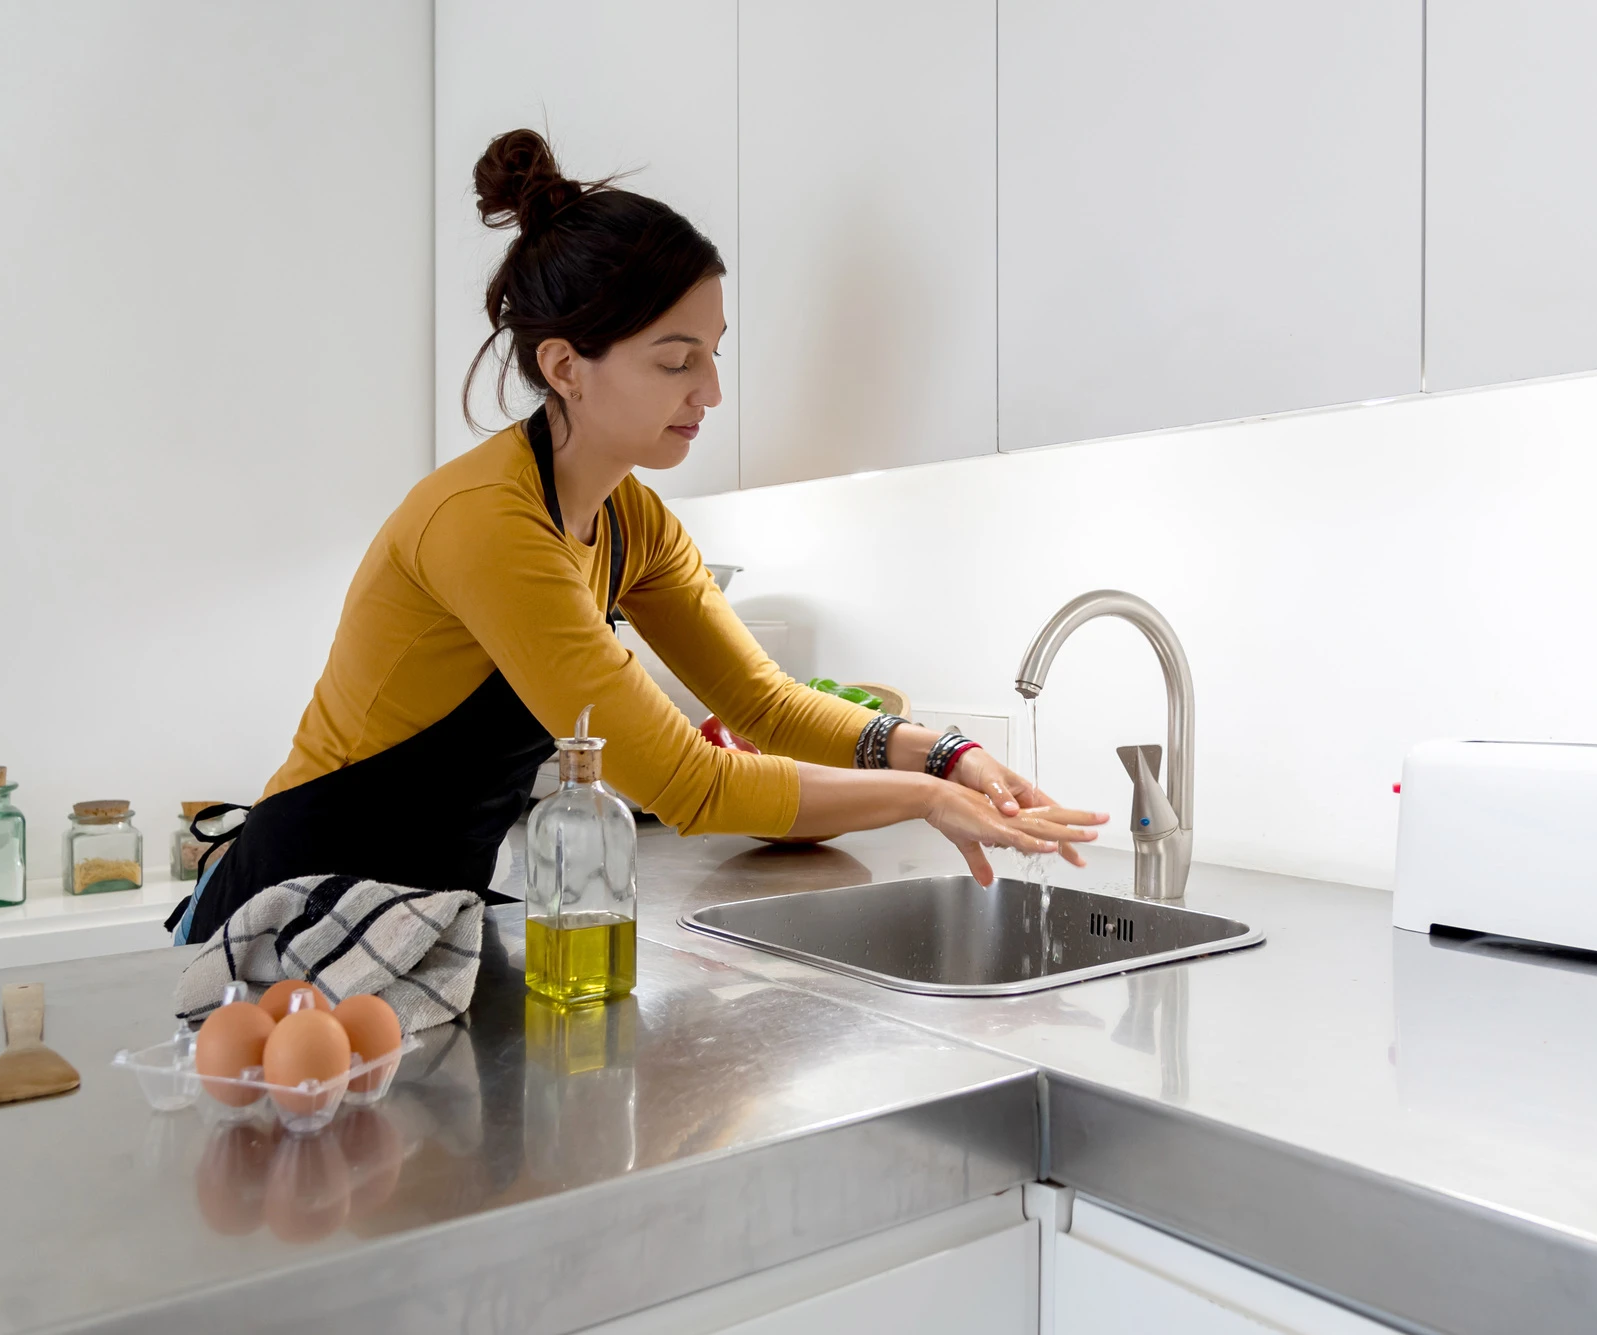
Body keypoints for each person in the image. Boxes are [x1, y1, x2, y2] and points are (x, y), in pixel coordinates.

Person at [174, 128, 1104, 945]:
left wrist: (949, 756)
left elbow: (764, 704)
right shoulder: (487, 524)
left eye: (713, 351)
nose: (711, 392)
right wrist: (928, 800)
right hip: (301, 911)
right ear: (564, 366)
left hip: (422, 917)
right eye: (676, 360)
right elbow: (683, 783)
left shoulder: (631, 521)